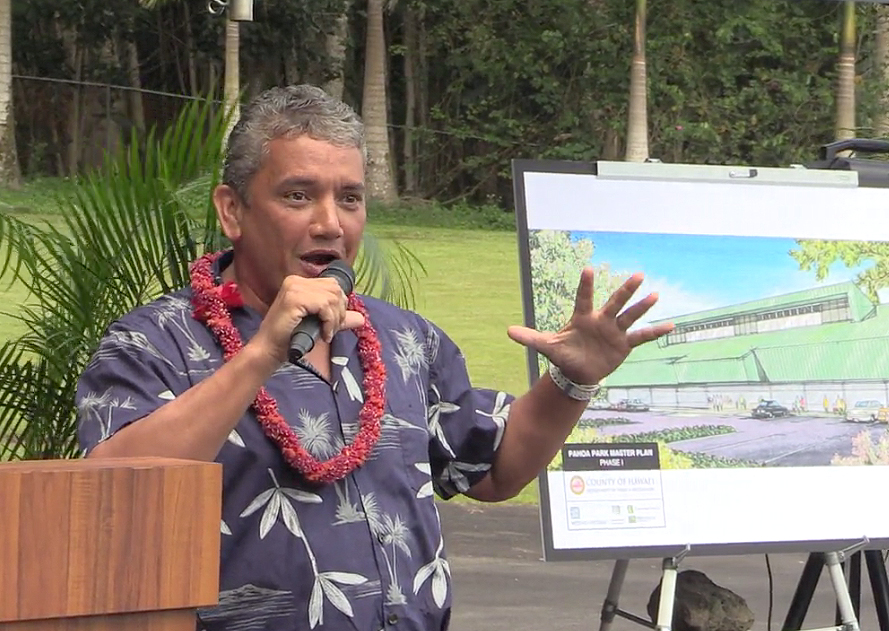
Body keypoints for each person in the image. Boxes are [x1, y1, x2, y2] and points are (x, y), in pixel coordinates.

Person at [75, 84, 673, 631]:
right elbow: (114, 492)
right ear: (232, 210)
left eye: (351, 198)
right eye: (298, 195)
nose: (330, 223)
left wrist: (571, 381)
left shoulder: (404, 338)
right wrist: (261, 353)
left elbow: (492, 469)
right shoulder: (156, 342)